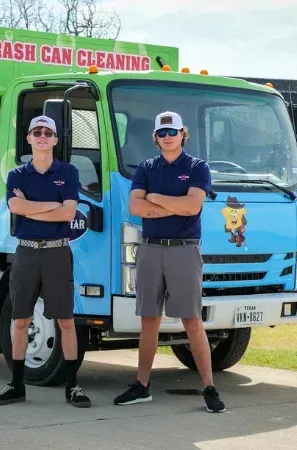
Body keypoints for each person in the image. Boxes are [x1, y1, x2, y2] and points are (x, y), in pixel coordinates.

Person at [113, 111, 226, 413]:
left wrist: (157, 198)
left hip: (184, 251)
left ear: (182, 134)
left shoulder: (197, 167)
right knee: (149, 320)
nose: (167, 138)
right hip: (150, 250)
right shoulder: (146, 168)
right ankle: (141, 386)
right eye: (161, 134)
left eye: (172, 132)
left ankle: (209, 388)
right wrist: (172, 206)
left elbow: (192, 206)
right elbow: (136, 207)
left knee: (192, 320)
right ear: (156, 137)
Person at [0, 115, 91, 408]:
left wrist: (31, 209)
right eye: (37, 131)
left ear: (56, 140)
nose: (43, 135)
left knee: (66, 321)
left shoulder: (69, 172)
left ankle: (72, 386)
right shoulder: (17, 175)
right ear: (29, 138)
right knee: (20, 319)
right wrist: (53, 207)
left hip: (58, 251)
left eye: (48, 132)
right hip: (26, 252)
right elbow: (14, 206)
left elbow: (68, 214)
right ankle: (17, 385)